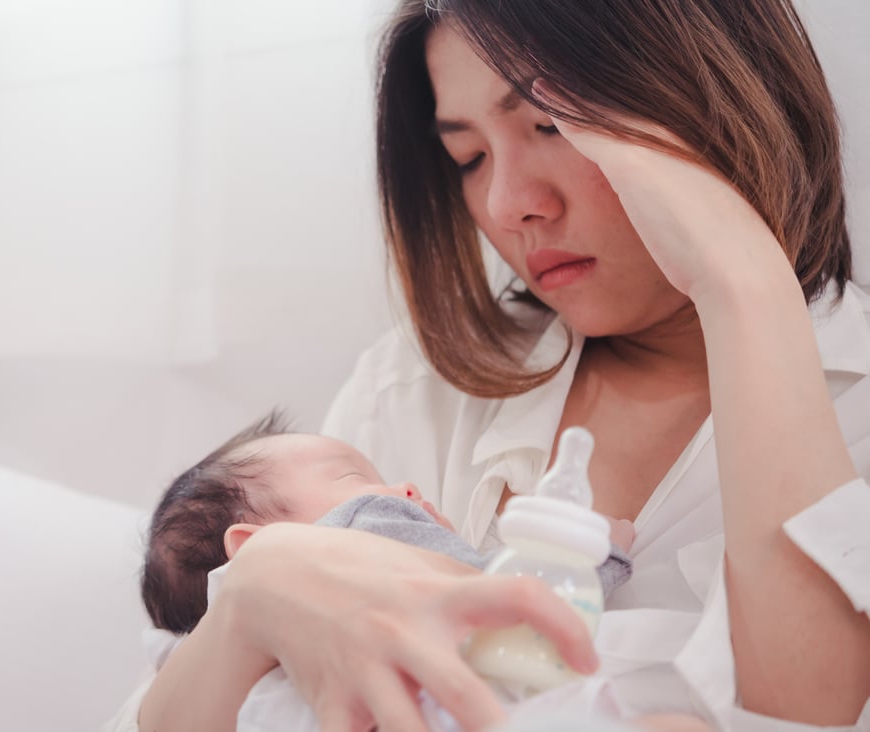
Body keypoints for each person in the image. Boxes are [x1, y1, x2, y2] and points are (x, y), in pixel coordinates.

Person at [116, 1, 870, 730]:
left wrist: (744, 283)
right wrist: (254, 594)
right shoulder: (415, 388)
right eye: (469, 158)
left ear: (715, 93)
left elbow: (809, 716)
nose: (509, 204)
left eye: (552, 126)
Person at [140, 410, 635, 636]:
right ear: (256, 550)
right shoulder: (362, 528)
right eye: (354, 475)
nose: (407, 491)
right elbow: (509, 609)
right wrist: (593, 556)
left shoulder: (218, 677)